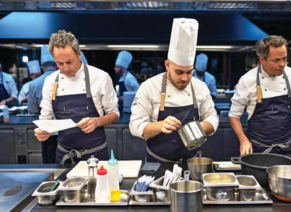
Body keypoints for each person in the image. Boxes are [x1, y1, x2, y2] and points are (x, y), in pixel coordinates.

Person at [129, 18, 219, 163]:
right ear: (167, 65)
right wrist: (160, 125)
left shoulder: (200, 87)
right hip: (158, 163)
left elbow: (212, 118)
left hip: (193, 164)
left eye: (189, 72)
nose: (184, 78)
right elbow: (135, 126)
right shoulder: (149, 87)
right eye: (179, 72)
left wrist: (201, 126)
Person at [34, 30, 119, 164]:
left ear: (79, 55)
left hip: (95, 156)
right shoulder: (51, 81)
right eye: (60, 64)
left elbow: (114, 114)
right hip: (64, 156)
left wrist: (96, 121)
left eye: (69, 62)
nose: (66, 68)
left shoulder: (100, 77)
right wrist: (43, 131)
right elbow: (45, 117)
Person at [229, 35, 291, 161]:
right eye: (276, 60)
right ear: (262, 60)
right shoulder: (247, 80)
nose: (282, 64)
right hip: (257, 150)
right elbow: (234, 115)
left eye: (284, 59)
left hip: (288, 150)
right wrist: (243, 139)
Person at [28, 46, 58, 163]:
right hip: (67, 129)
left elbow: (32, 108)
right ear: (57, 65)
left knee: (49, 160)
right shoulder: (65, 80)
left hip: (47, 129)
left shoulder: (34, 83)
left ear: (41, 68)